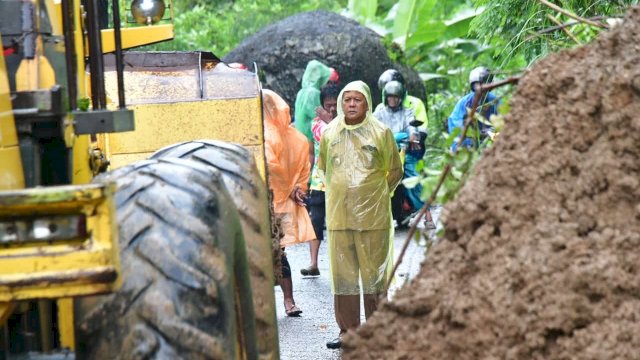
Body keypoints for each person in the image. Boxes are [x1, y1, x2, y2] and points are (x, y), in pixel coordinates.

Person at [318, 81, 403, 349]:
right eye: (347, 99)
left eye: (357, 100)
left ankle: (377, 331)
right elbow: (324, 169)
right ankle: (348, 331)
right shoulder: (330, 132)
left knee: (374, 276)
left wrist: (374, 196)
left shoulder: (381, 132)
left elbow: (394, 170)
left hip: (373, 219)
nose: (351, 104)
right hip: (340, 218)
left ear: (367, 103)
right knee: (343, 277)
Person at [263, 89, 317, 317]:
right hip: (269, 201)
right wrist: (296, 188)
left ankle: (287, 300)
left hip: (272, 203)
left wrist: (293, 188)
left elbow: (277, 168)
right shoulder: (283, 135)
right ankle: (287, 301)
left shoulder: (279, 135)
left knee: (277, 252)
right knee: (276, 252)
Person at [373, 80, 425, 227]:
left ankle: (420, 208)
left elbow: (411, 125)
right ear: (385, 97)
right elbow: (372, 128)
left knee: (414, 175)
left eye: (396, 97)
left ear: (401, 97)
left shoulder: (407, 112)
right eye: (390, 97)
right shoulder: (379, 113)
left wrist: (414, 135)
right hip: (384, 153)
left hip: (403, 151)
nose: (393, 100)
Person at [300, 83, 340, 276]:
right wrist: (305, 181)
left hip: (341, 183)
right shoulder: (317, 123)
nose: (331, 109)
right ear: (322, 105)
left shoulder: (348, 122)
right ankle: (313, 263)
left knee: (340, 224)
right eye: (328, 104)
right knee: (315, 221)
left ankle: (341, 264)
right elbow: (327, 140)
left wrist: (332, 120)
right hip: (319, 182)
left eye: (334, 104)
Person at [448, 66, 499, 150]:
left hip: (489, 145)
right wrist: (475, 135)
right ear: (473, 85)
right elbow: (456, 128)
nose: (482, 88)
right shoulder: (464, 103)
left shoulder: (494, 101)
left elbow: (503, 120)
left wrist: (492, 133)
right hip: (467, 146)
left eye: (486, 84)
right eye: (478, 84)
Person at [294, 60, 332, 167]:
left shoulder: (301, 91)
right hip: (308, 133)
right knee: (310, 157)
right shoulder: (313, 93)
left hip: (299, 131)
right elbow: (317, 113)